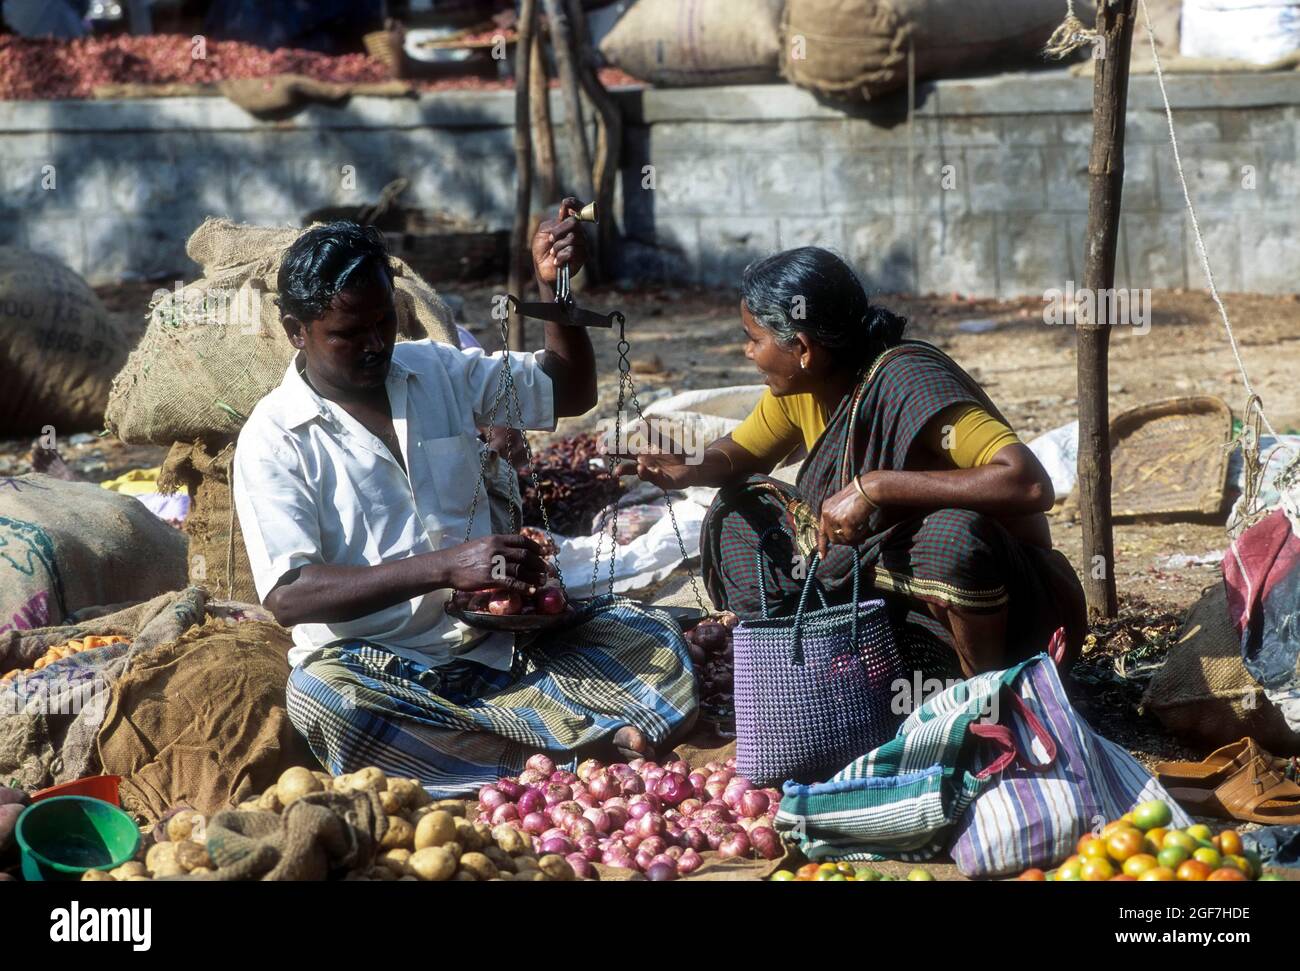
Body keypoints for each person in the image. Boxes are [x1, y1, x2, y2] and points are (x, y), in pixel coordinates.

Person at [232, 200, 696, 796]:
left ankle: (523, 757)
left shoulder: (436, 371)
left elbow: (571, 391)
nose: (377, 344)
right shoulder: (274, 438)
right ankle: (570, 757)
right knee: (326, 703)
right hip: (382, 664)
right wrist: (446, 567)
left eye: (385, 322)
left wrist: (553, 290)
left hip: (499, 642)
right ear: (296, 331)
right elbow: (291, 596)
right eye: (350, 334)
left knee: (649, 636)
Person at [620, 247, 1086, 678]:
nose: (748, 352)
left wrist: (877, 487)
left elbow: (1027, 484)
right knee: (739, 514)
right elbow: (740, 454)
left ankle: (984, 698)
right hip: (897, 601)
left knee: (950, 538)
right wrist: (690, 466)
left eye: (754, 339)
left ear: (802, 349)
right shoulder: (802, 390)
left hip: (1017, 612)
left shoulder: (907, 379)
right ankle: (809, 671)